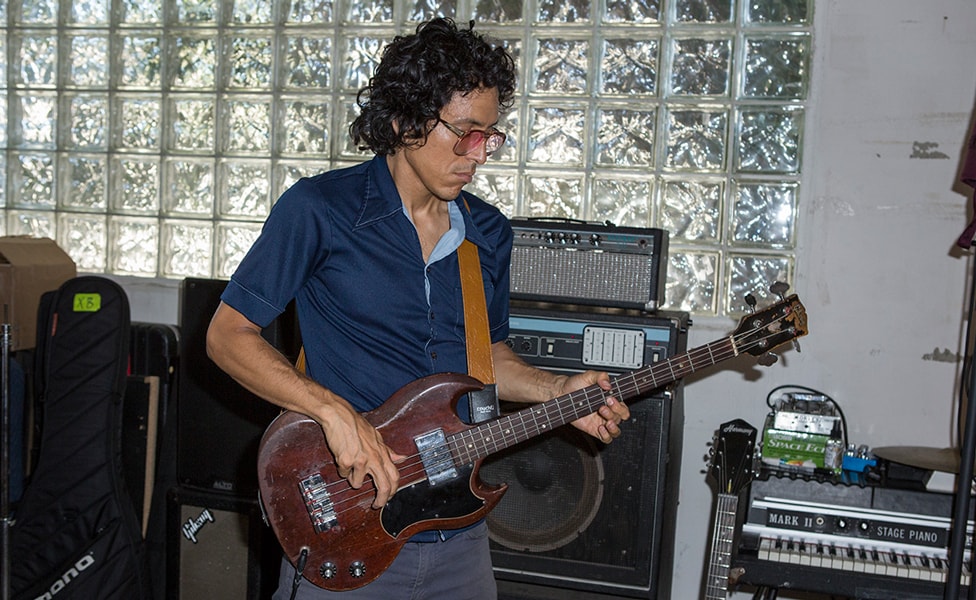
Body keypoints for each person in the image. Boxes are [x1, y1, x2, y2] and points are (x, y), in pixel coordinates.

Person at [206, 17, 630, 600]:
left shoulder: (488, 232)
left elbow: (487, 360)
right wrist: (335, 414)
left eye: (489, 135)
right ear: (405, 120)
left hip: (461, 538)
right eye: (463, 132)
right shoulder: (319, 210)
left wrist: (558, 393)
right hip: (349, 519)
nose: (477, 154)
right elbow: (228, 336)